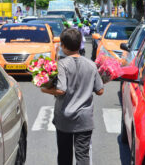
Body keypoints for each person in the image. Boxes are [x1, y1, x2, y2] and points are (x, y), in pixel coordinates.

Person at [41, 28, 104, 165]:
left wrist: (45, 90)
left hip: (65, 118)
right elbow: (100, 91)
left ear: (63, 45)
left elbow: (61, 90)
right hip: (85, 119)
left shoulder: (62, 64)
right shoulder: (91, 65)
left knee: (64, 154)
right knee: (83, 155)